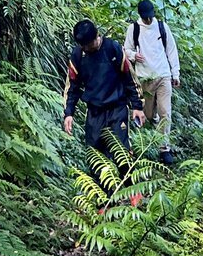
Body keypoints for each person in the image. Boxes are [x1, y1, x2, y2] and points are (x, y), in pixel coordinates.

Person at [63, 19, 146, 156]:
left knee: (121, 153)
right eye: (84, 46)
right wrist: (68, 113)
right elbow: (72, 87)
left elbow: (129, 78)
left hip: (117, 108)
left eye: (89, 45)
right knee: (95, 156)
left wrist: (137, 106)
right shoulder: (78, 56)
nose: (87, 48)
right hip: (94, 112)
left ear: (97, 36)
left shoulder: (112, 48)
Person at [123, 0, 180, 165]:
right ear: (141, 16)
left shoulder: (162, 27)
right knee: (148, 114)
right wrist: (134, 55)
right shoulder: (134, 29)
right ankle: (152, 133)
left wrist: (175, 73)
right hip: (144, 77)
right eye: (145, 17)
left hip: (163, 75)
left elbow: (171, 50)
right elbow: (126, 49)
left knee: (165, 112)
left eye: (150, 16)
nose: (148, 20)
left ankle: (164, 148)